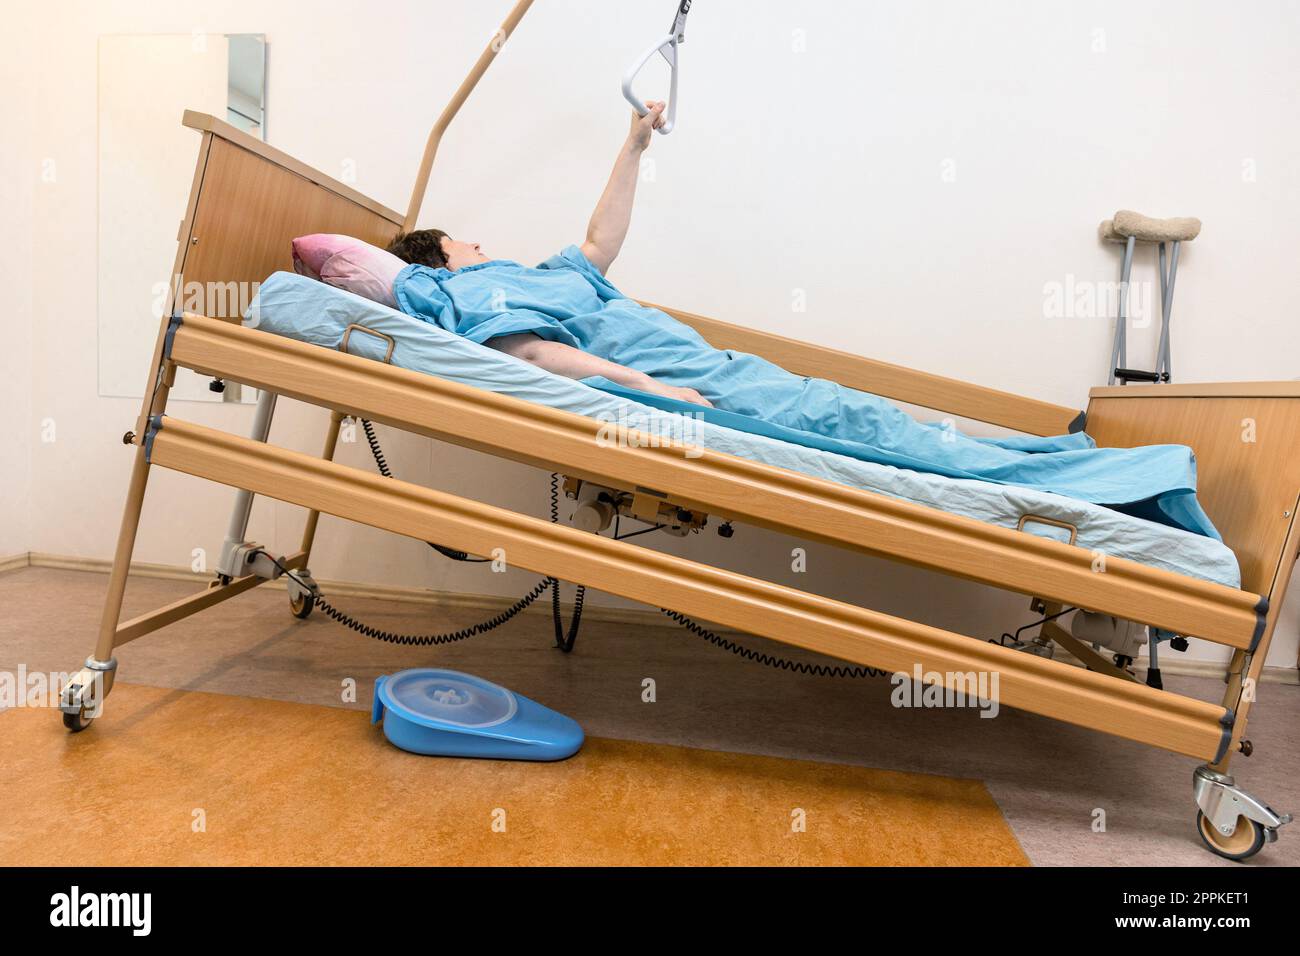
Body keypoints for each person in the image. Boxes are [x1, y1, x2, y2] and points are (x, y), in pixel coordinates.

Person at [384, 104, 1219, 538]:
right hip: (713, 397)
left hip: (736, 377)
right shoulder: (474, 294)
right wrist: (647, 388)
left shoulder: (535, 274)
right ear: (438, 260)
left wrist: (633, 145)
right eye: (465, 239)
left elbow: (601, 240)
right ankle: (1135, 482)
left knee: (902, 431)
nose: (482, 240)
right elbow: (534, 357)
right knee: (899, 439)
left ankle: (1075, 462)